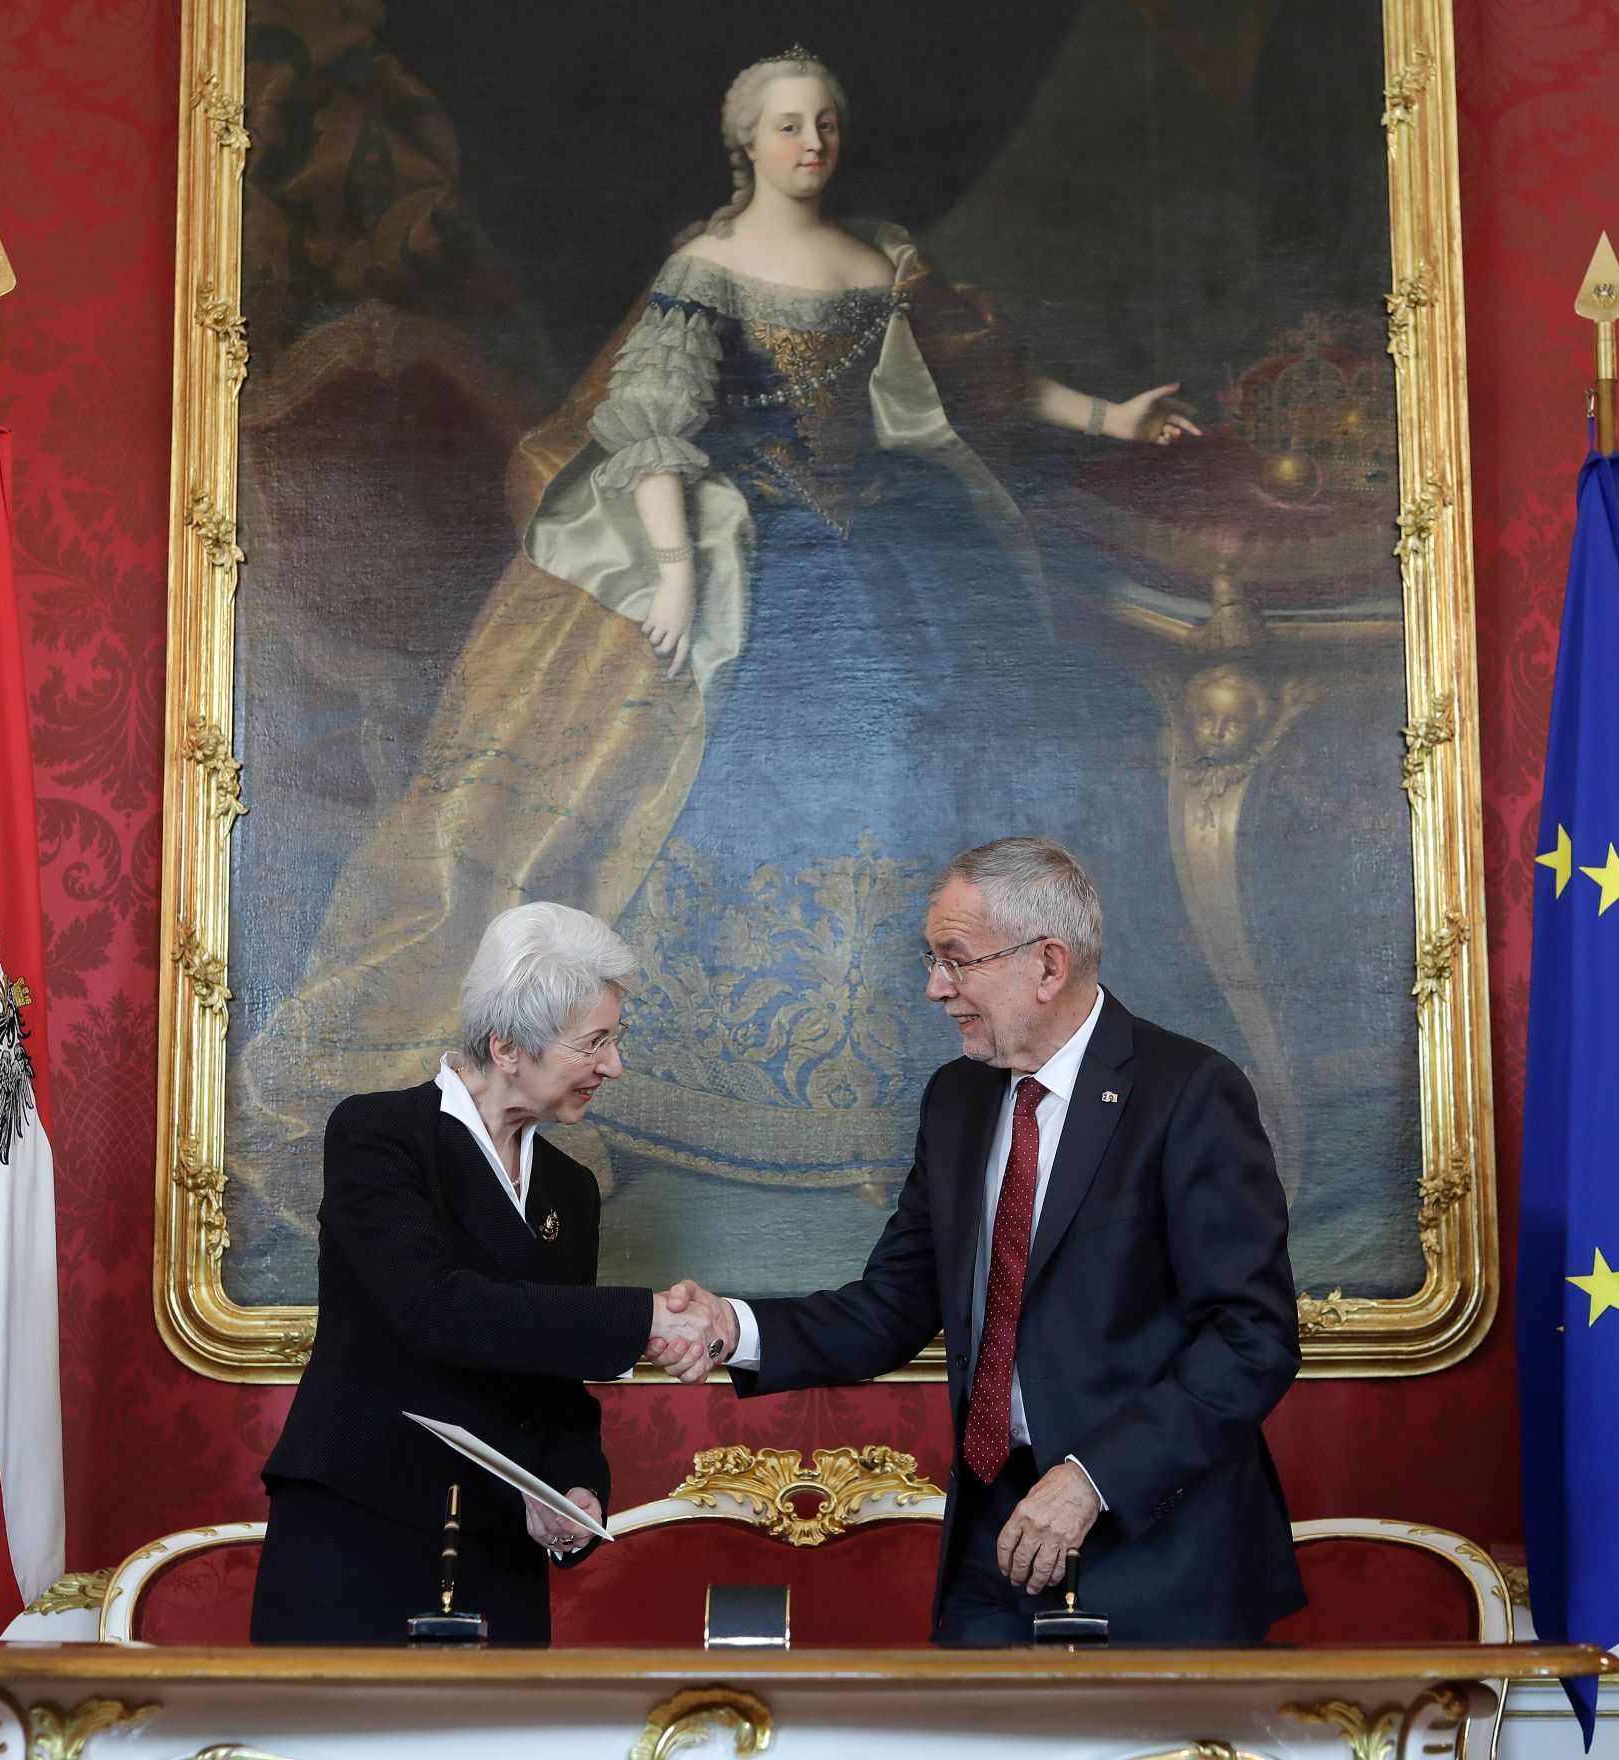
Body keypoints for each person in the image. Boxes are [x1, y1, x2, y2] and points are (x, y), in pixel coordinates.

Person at [236, 45, 1198, 1224]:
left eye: (826, 123)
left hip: (897, 537)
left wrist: (1109, 413)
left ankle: (936, 1066)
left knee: (957, 736)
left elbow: (980, 382)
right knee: (770, 752)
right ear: (746, 142)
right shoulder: (708, 265)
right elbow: (648, 427)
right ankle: (720, 1088)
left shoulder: (881, 255)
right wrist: (681, 577)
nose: (812, 144)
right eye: (789, 125)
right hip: (758, 545)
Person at [655, 837, 1305, 1645]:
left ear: (1047, 964)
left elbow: (1253, 1338)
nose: (936, 989)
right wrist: (734, 1328)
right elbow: (896, 1300)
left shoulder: (1189, 1093)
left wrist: (1093, 1480)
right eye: (933, 961)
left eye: (955, 961)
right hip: (989, 1550)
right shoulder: (957, 1099)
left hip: (1156, 1551)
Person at [249, 902, 727, 1643]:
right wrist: (647, 1319)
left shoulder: (569, 1189)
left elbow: (556, 1382)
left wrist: (575, 1489)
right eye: (592, 1043)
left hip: (499, 1547)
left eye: (614, 1039)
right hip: (359, 1532)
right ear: (507, 1047)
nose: (613, 1065)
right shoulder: (378, 1135)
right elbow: (435, 1309)